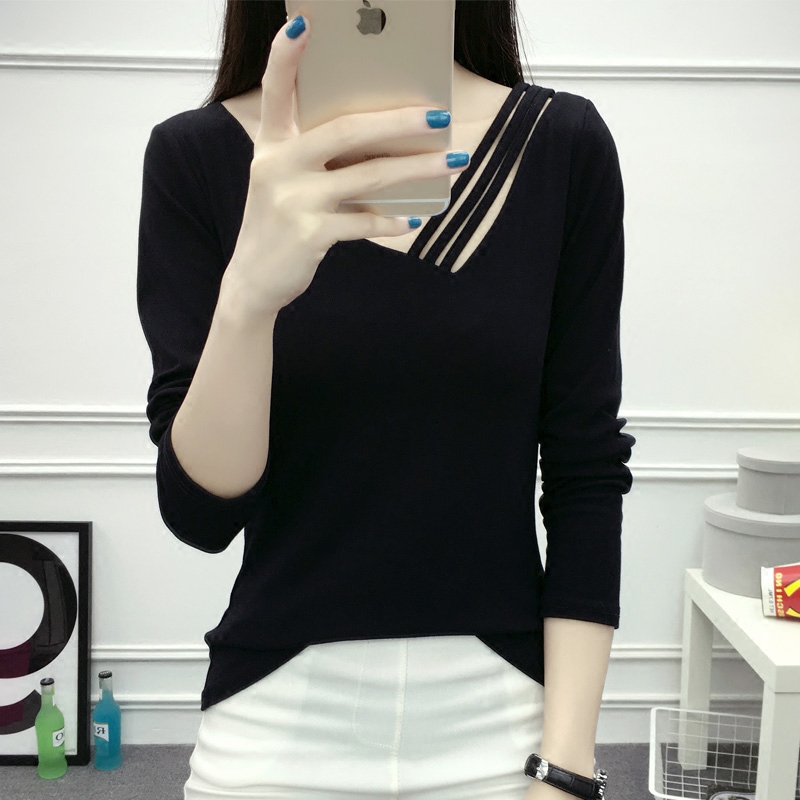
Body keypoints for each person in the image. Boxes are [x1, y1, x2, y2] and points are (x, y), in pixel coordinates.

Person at [136, 2, 636, 798]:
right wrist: (249, 299)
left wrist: (568, 767)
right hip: (274, 732)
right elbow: (200, 514)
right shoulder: (196, 156)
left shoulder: (560, 145)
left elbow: (586, 472)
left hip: (503, 727)